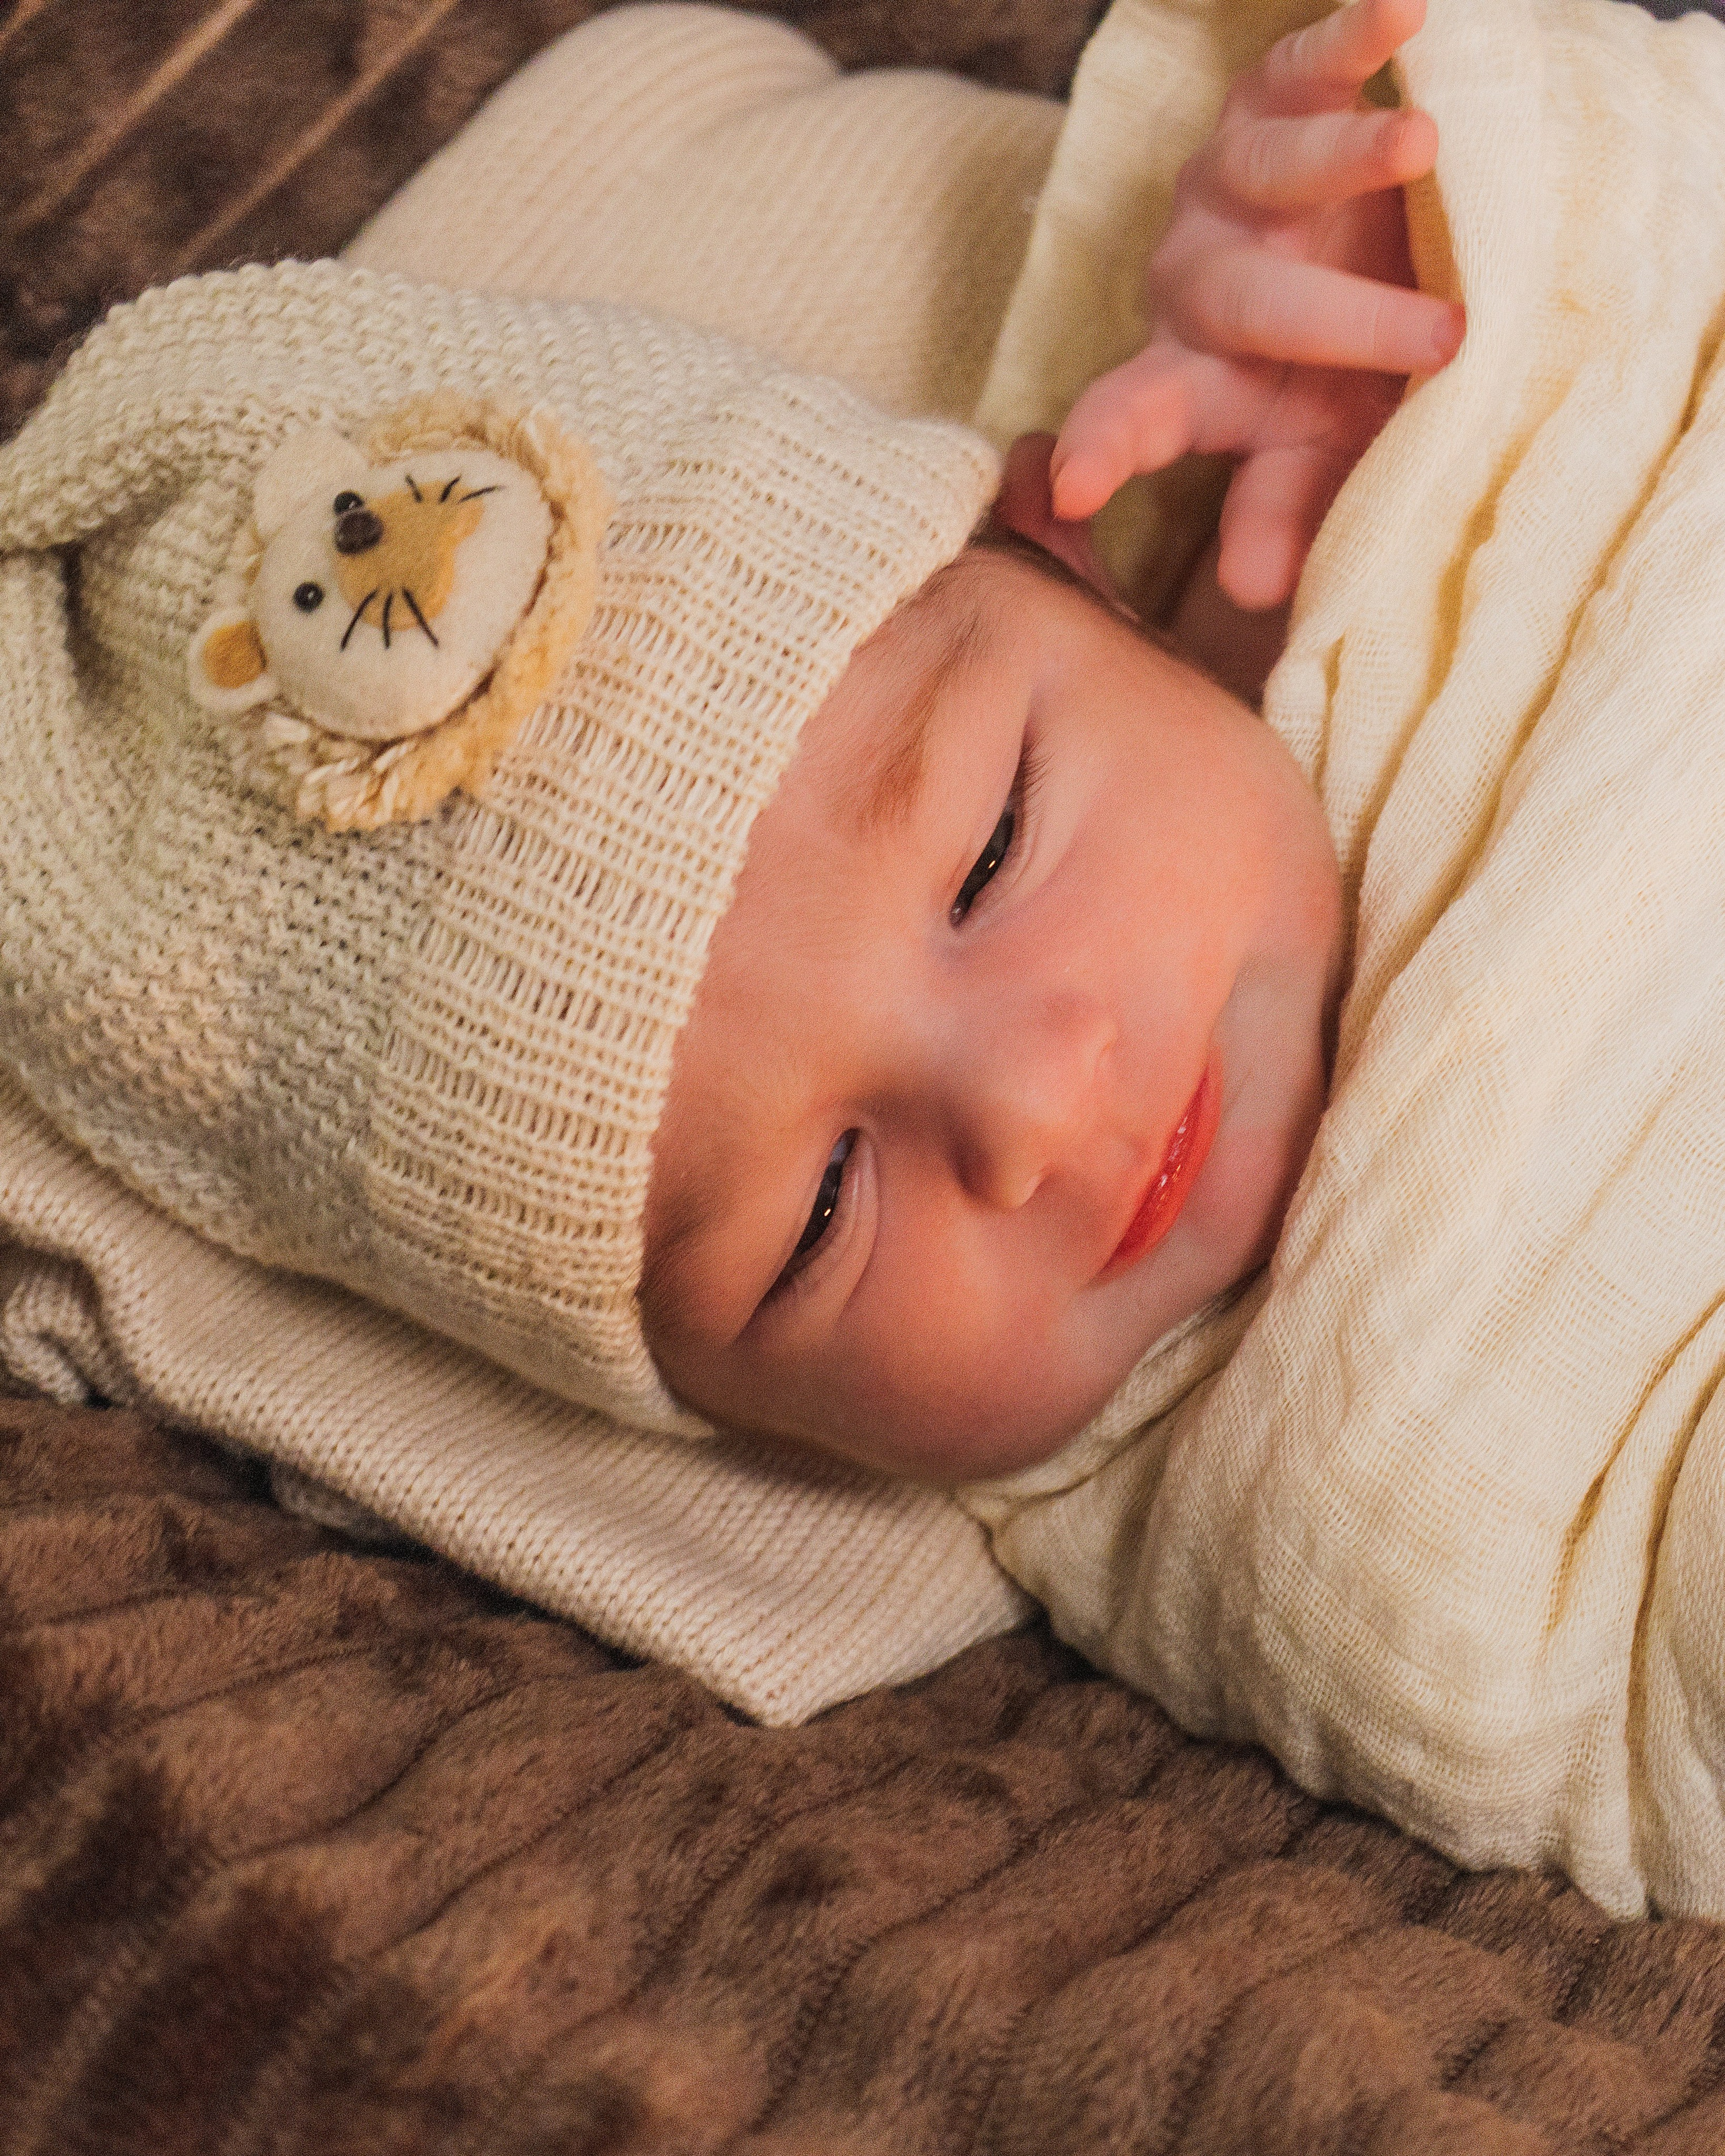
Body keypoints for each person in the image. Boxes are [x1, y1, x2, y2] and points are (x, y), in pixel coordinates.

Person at [638, 0, 1460, 1482]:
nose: (1024, 1108)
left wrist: (1446, 259)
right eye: (818, 1219)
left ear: (1072, 560)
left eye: (993, 845)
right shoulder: (1333, 1534)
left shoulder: (1354, 542)